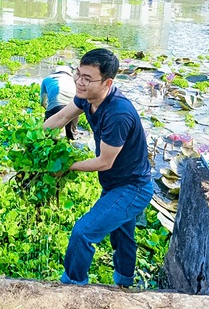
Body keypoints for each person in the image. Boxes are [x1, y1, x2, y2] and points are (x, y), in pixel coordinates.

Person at [44, 48, 153, 287]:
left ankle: (73, 286)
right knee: (123, 236)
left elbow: (104, 161)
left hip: (133, 187)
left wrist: (65, 166)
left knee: (84, 233)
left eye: (87, 78)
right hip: (116, 183)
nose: (80, 83)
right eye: (78, 74)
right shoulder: (87, 97)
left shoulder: (118, 114)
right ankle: (125, 283)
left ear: (107, 82)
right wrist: (34, 137)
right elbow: (61, 118)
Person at [40, 65, 78, 140]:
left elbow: (42, 101)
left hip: (56, 104)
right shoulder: (73, 79)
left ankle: (48, 144)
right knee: (71, 132)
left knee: (47, 133)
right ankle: (72, 142)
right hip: (73, 106)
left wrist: (49, 110)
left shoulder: (47, 79)